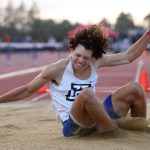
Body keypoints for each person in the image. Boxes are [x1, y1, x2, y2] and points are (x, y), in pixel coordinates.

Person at [0, 25, 150, 137]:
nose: (80, 61)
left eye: (86, 58)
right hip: (74, 124)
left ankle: (138, 131)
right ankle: (114, 132)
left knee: (136, 88)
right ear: (71, 50)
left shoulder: (96, 62)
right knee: (86, 94)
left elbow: (128, 56)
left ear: (93, 57)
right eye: (77, 55)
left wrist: (148, 34)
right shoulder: (56, 69)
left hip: (97, 116)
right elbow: (27, 90)